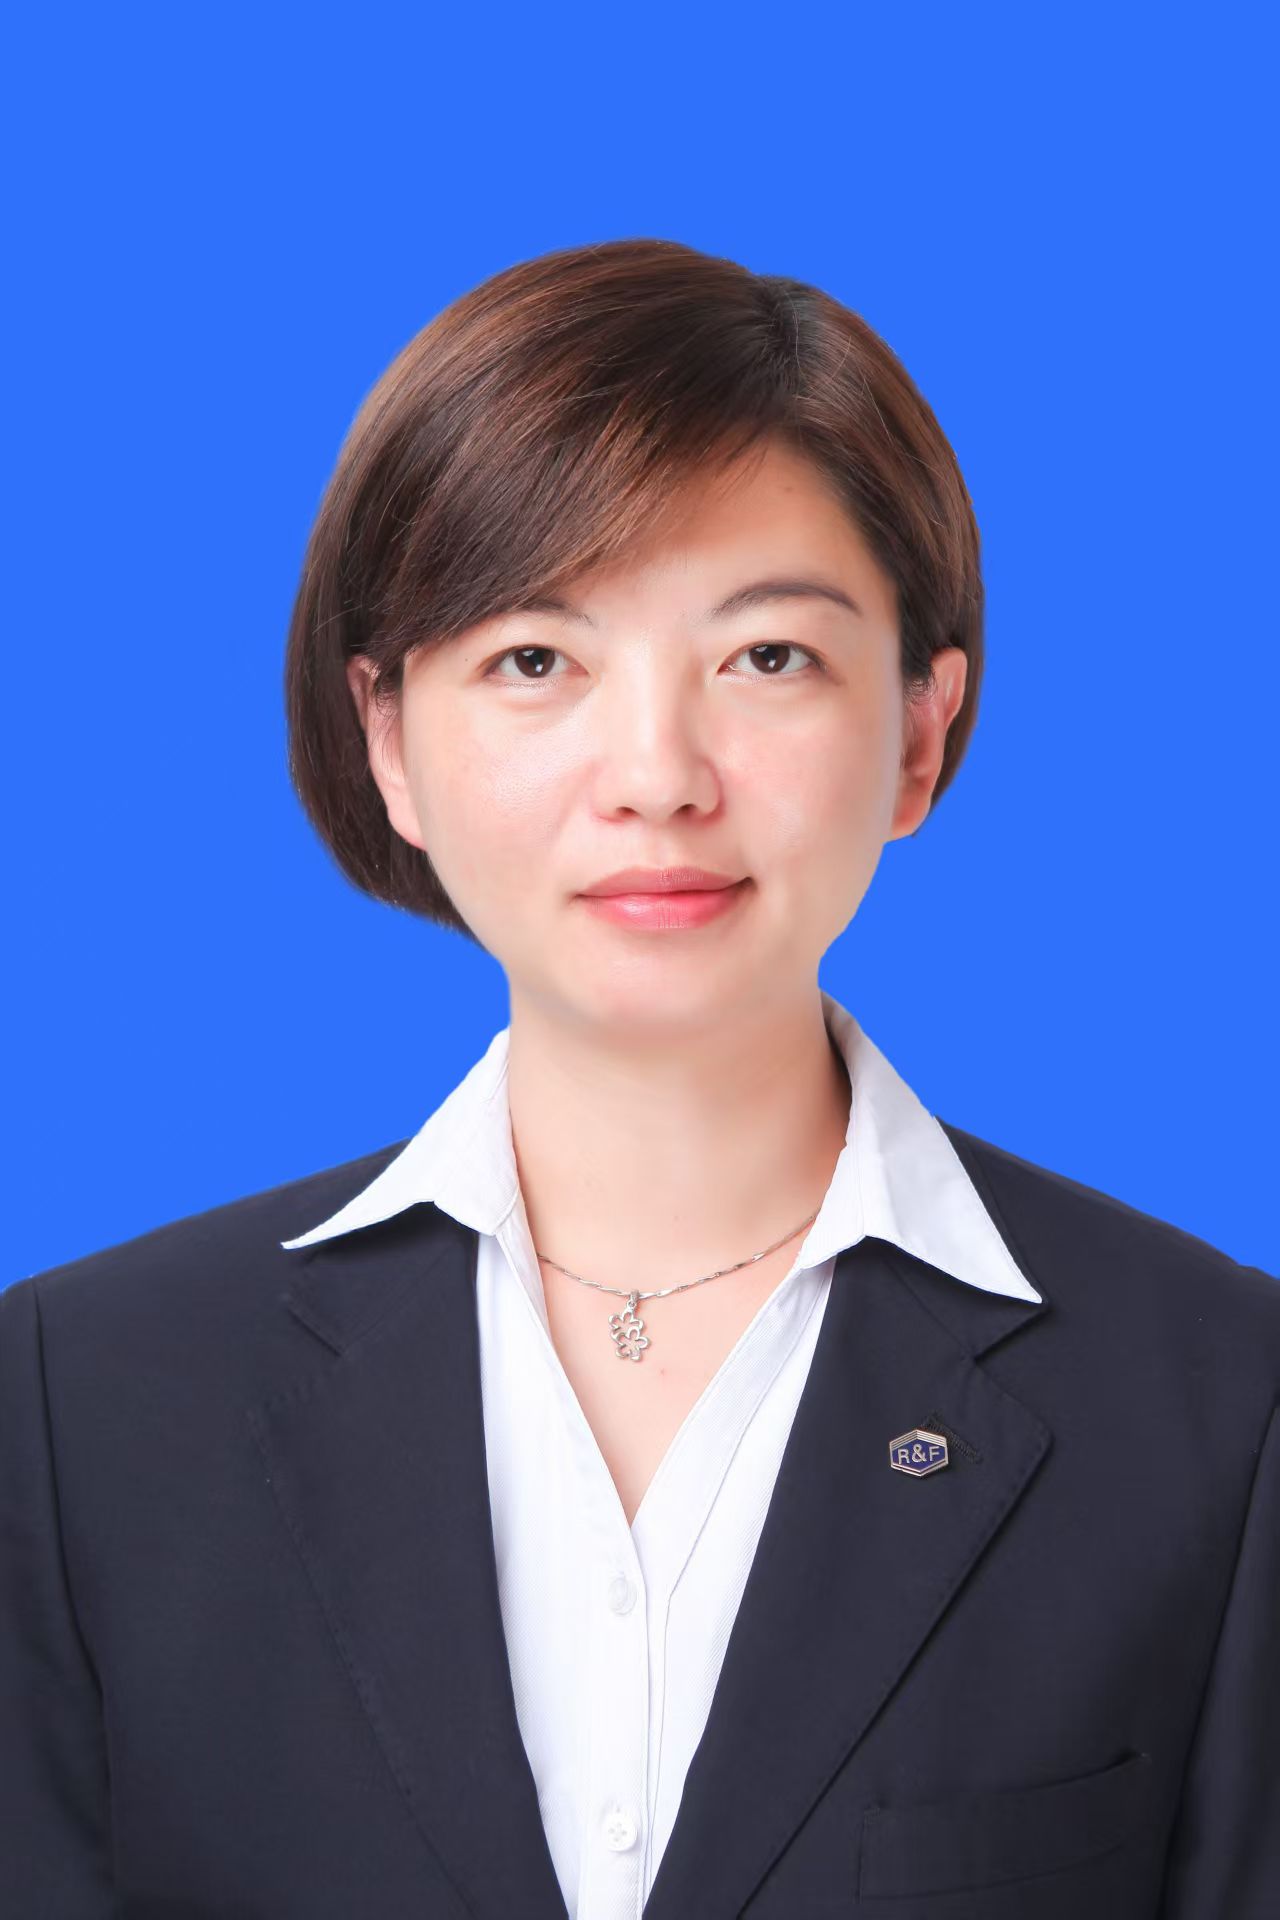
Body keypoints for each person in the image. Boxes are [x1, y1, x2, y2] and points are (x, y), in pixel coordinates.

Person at [2, 237, 1276, 1919]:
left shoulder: (1220, 1404)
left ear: (919, 730)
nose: (657, 776)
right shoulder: (81, 1405)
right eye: (535, 660)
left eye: (768, 658)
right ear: (390, 742)